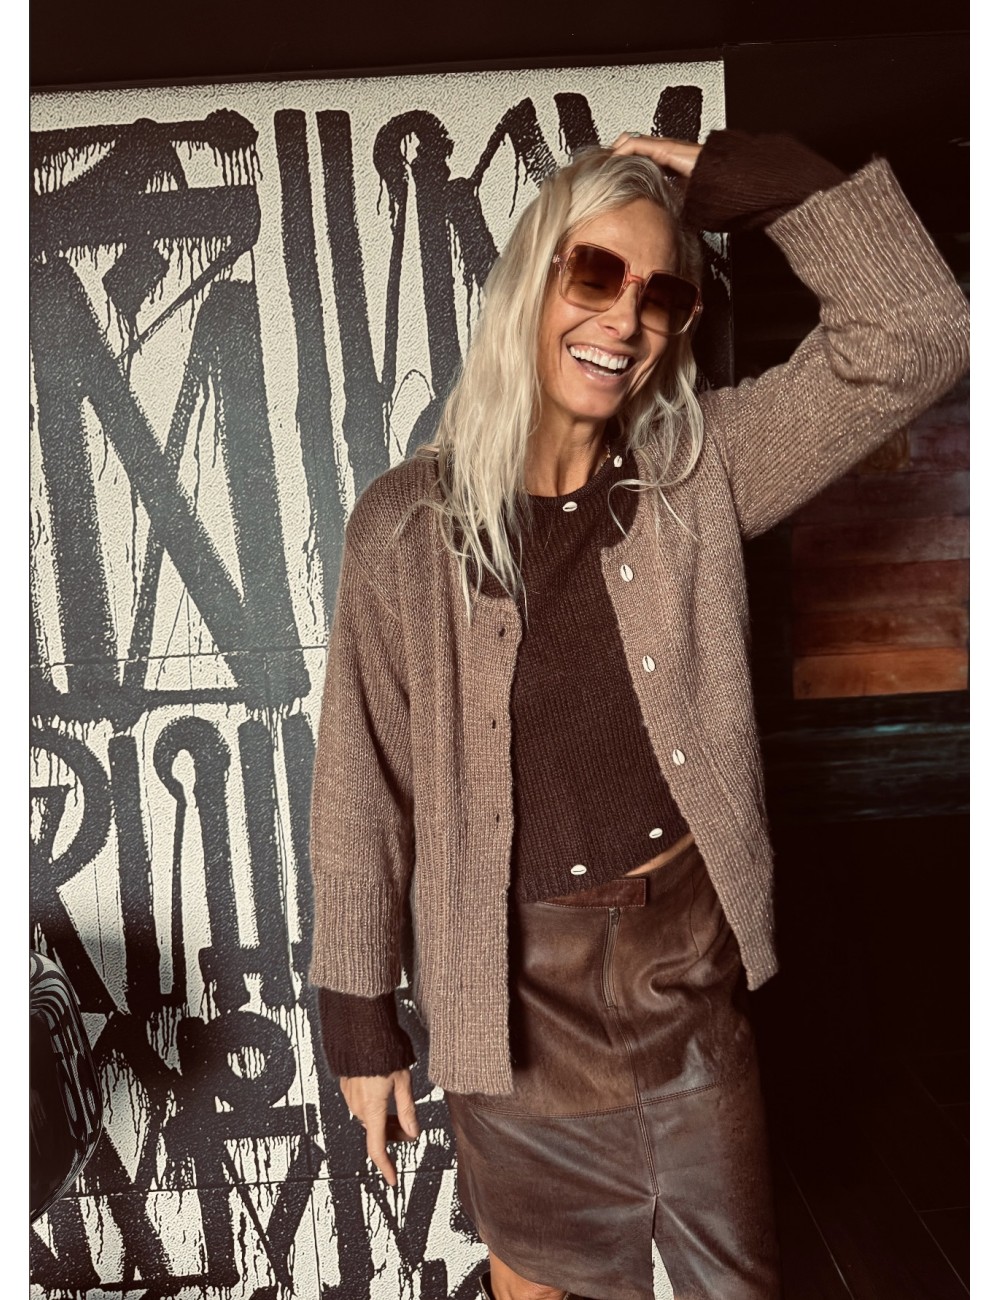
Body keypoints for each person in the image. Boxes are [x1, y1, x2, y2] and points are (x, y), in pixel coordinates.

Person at [308, 128, 970, 1300]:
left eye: (662, 295)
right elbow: (362, 789)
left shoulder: (699, 471)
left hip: (683, 988)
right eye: (596, 272)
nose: (625, 318)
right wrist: (360, 1026)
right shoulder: (403, 528)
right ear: (531, 280)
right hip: (509, 1009)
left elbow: (917, 331)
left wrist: (750, 180)